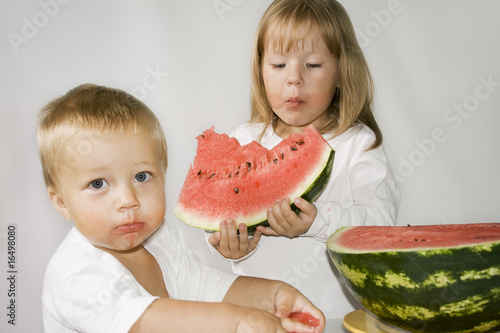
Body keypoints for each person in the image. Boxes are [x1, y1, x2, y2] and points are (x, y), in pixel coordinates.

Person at [37, 83, 325, 333]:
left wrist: (272, 295)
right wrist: (239, 324)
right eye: (98, 184)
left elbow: (206, 288)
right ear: (61, 202)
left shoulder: (161, 239)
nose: (128, 200)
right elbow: (143, 323)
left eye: (141, 177)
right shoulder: (76, 272)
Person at [207, 0, 401, 319]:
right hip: (256, 318)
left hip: (337, 318)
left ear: (341, 71)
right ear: (260, 70)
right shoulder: (243, 140)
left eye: (312, 65)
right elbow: (217, 216)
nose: (294, 78)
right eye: (279, 65)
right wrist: (228, 243)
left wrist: (318, 220)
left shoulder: (358, 144)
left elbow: (381, 227)